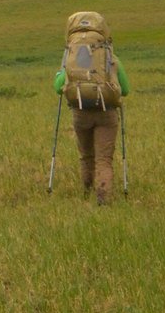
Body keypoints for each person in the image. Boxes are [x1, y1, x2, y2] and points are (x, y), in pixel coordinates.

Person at [55, 11, 129, 204]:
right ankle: (103, 198)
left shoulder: (70, 59)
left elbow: (57, 87)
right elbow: (126, 89)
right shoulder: (111, 58)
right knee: (103, 159)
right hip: (106, 114)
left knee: (86, 156)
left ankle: (86, 193)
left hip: (80, 113)